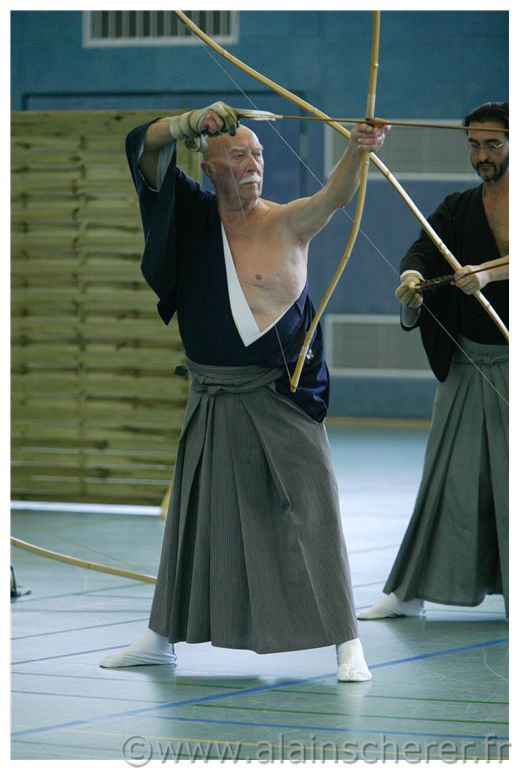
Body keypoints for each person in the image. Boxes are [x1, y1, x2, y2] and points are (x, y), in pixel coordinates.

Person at [99, 102, 389, 680]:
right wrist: (189, 123)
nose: (253, 163)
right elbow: (143, 147)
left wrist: (357, 151)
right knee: (191, 514)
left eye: (257, 153)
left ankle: (346, 642)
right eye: (237, 155)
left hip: (280, 395)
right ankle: (160, 637)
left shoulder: (286, 221)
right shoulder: (190, 216)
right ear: (208, 169)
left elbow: (334, 197)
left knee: (313, 508)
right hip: (212, 391)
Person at [357, 102, 508, 621]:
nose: (482, 155)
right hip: (467, 362)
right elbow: (423, 250)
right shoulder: (458, 207)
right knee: (446, 479)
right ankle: (410, 591)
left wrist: (488, 274)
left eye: (493, 144)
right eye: (474, 145)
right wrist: (411, 279)